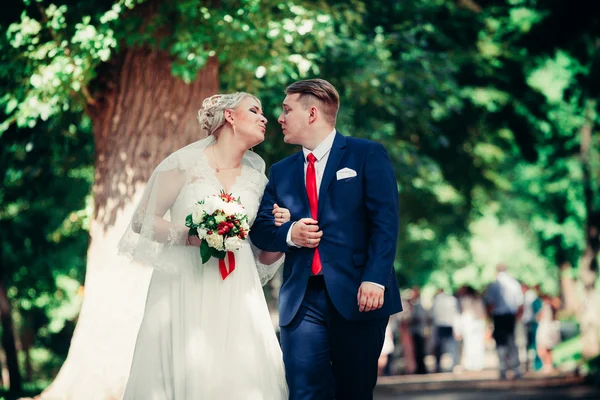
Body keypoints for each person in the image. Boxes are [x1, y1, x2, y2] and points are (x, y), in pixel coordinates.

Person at [118, 92, 291, 399]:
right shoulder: (185, 163)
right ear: (230, 117)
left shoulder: (258, 180)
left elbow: (264, 256)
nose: (265, 118)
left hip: (237, 288)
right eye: (255, 110)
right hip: (185, 283)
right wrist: (191, 235)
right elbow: (142, 220)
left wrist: (282, 230)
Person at [250, 78, 403, 400]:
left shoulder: (367, 154)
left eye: (286, 109)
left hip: (361, 293)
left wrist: (375, 279)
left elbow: (385, 223)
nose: (279, 118)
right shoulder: (281, 171)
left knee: (354, 391)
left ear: (312, 113)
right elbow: (262, 230)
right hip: (302, 298)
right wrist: (291, 233)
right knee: (304, 392)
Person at [484, 264, 524, 380]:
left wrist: (489, 318)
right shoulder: (514, 283)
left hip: (499, 317)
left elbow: (490, 304)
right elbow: (520, 303)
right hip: (510, 316)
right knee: (512, 341)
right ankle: (516, 369)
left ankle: (503, 368)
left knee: (501, 343)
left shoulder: (494, 285)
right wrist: (518, 317)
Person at [431, 288, 460, 373]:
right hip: (449, 325)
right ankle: (453, 365)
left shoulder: (436, 300)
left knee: (440, 346)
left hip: (440, 325)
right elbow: (456, 314)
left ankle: (438, 365)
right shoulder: (452, 300)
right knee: (451, 347)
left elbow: (433, 314)